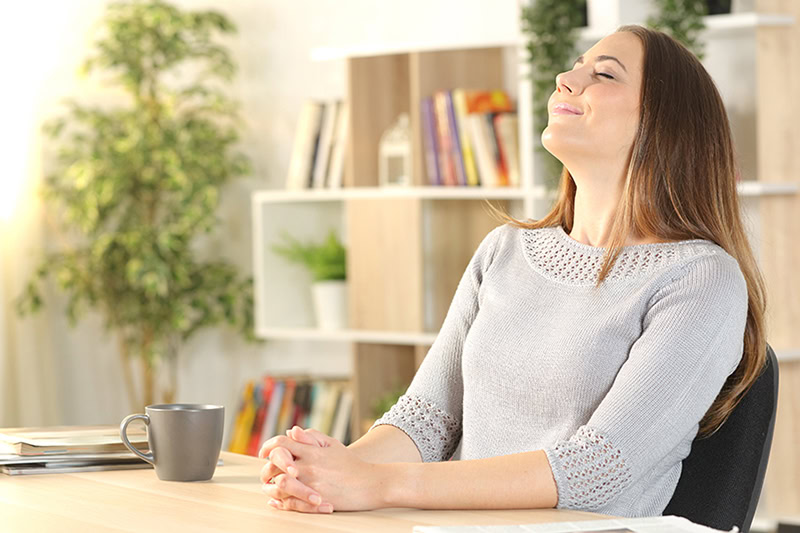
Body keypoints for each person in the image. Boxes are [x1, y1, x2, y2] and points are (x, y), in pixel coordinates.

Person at [257, 24, 767, 516]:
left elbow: (599, 468)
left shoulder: (701, 279)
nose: (566, 82)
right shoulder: (505, 251)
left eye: (605, 75)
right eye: (574, 68)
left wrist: (379, 484)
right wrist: (324, 469)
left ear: (667, 122)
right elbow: (426, 420)